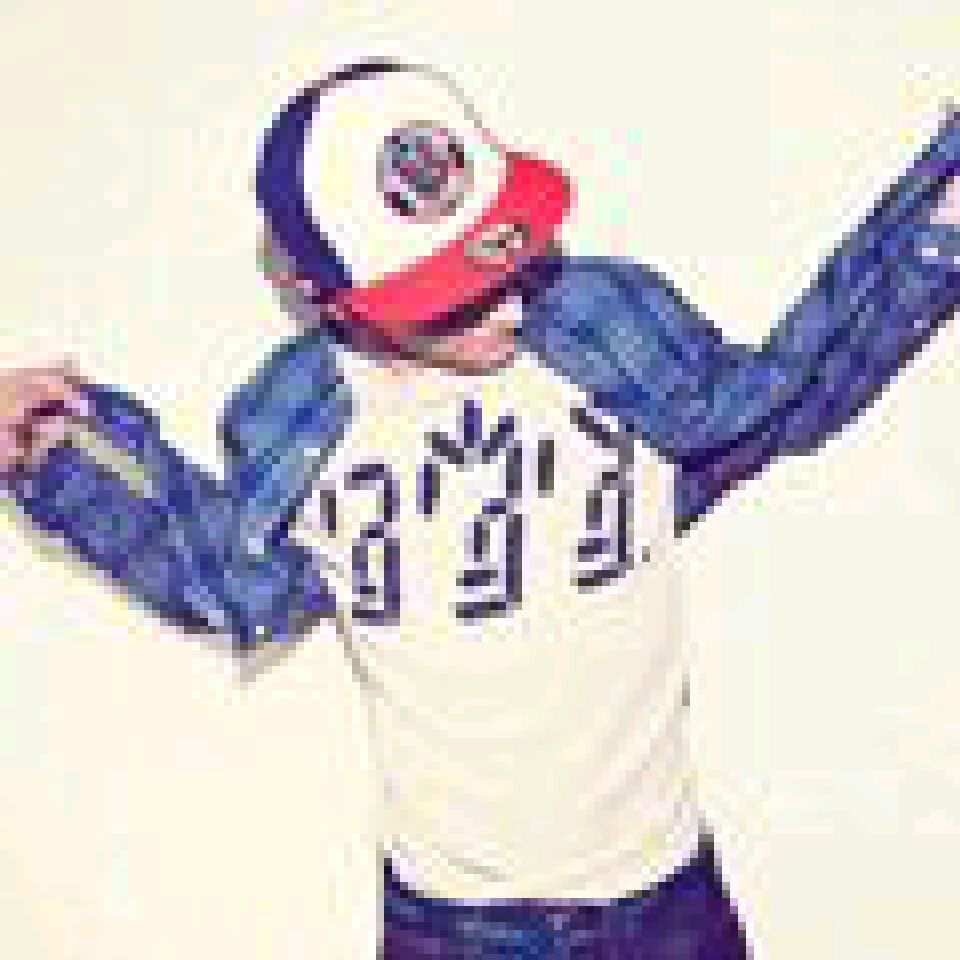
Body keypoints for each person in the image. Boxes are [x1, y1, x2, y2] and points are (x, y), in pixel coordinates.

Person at [2, 59, 959, 959]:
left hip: (665, 902)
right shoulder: (296, 417)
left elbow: (785, 398)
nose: (504, 308)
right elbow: (238, 588)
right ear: (321, 294)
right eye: (452, 299)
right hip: (452, 925)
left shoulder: (603, 330)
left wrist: (938, 220)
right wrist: (53, 464)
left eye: (507, 254)